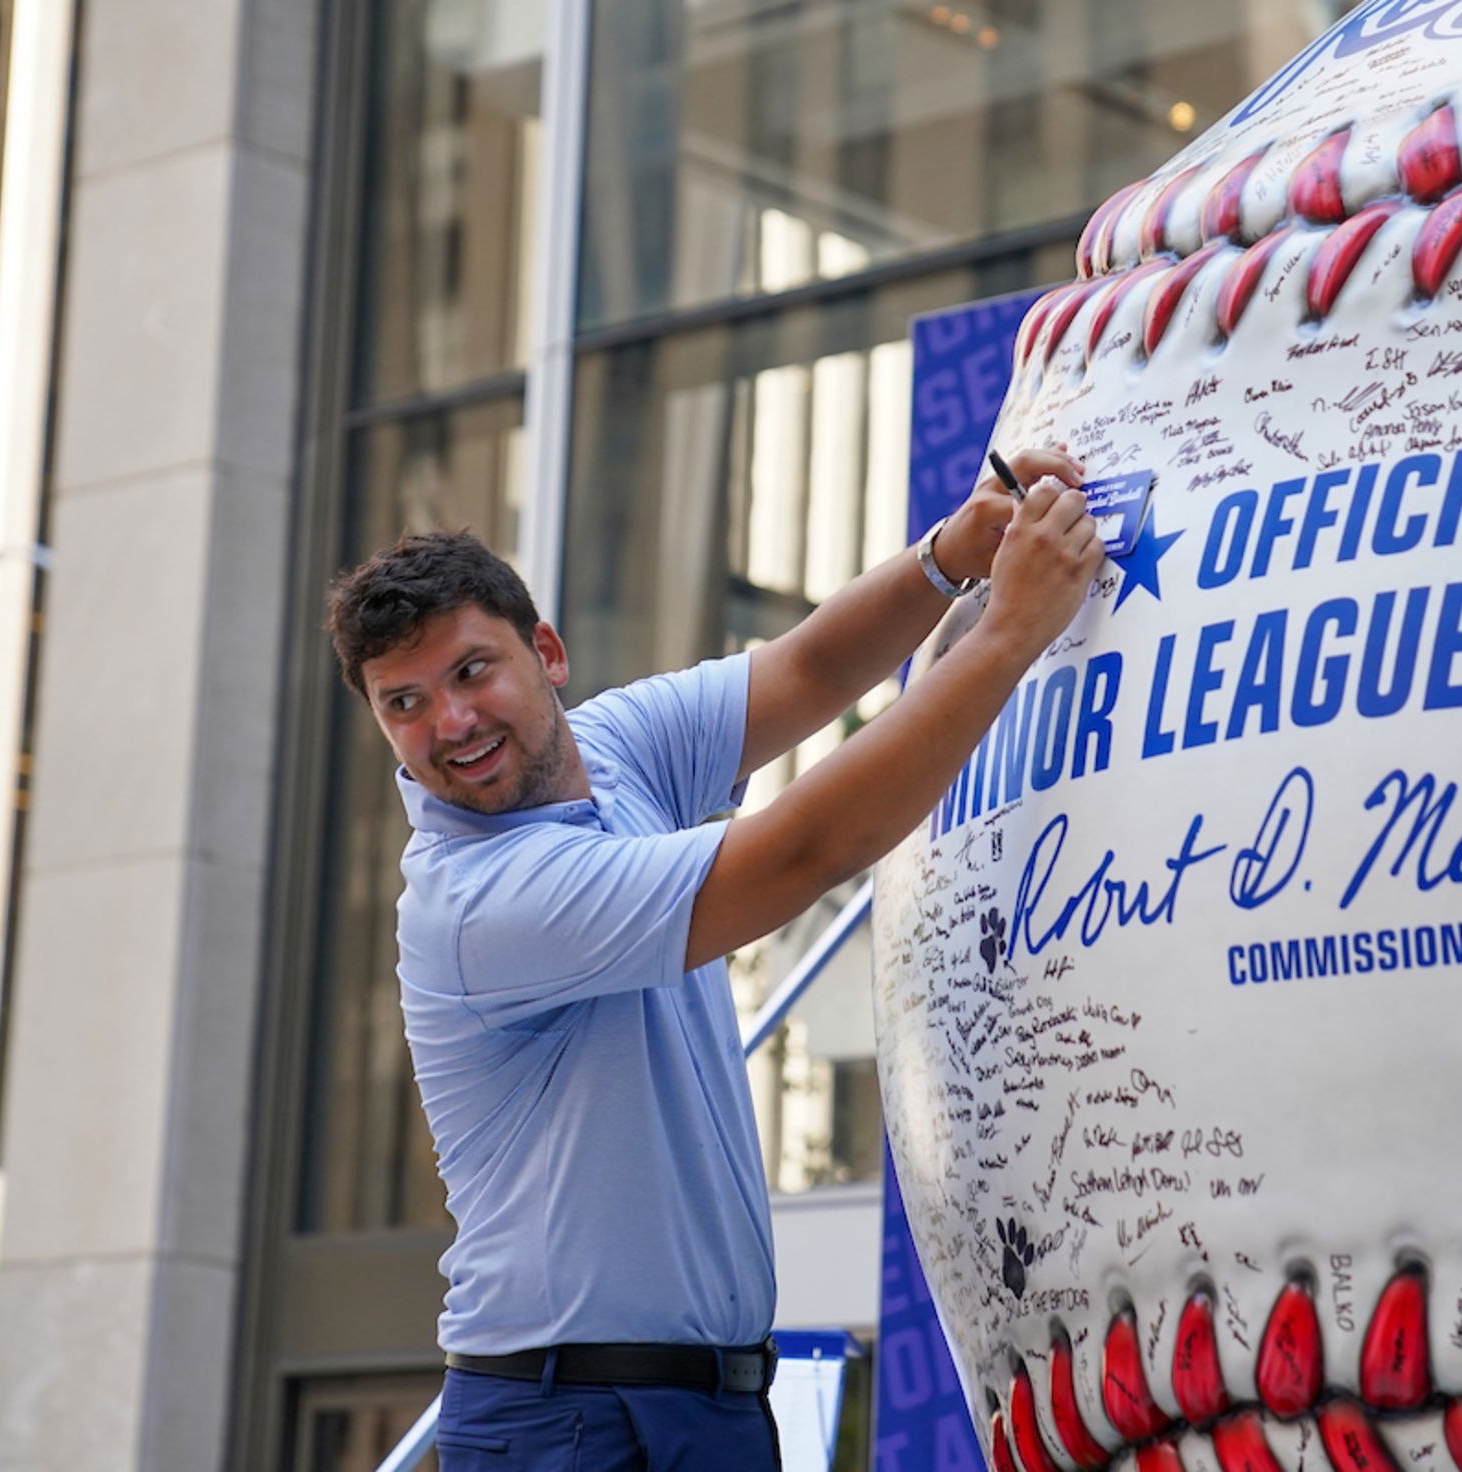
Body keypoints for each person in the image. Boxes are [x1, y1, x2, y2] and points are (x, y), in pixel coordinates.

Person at [323, 447, 1100, 1470]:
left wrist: (955, 551)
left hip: (700, 1404)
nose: (451, 723)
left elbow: (812, 669)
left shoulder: (610, 747)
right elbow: (806, 850)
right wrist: (1006, 635)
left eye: (471, 670)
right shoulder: (475, 901)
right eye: (404, 703)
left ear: (545, 652)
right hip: (570, 1421)